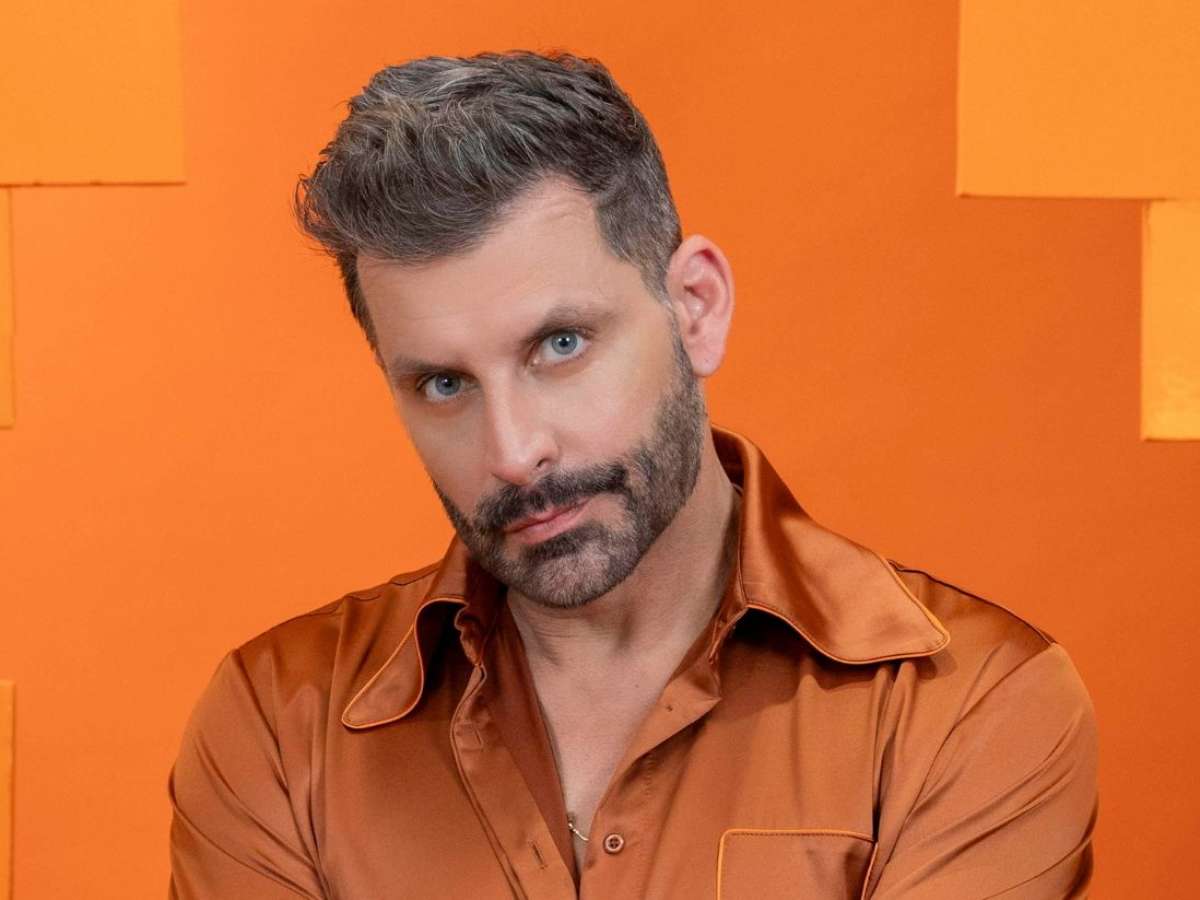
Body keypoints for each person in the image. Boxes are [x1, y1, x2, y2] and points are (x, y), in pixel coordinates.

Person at [167, 50, 1098, 899]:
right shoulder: (280, 725)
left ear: (696, 307)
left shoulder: (968, 703)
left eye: (560, 345)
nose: (513, 451)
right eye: (444, 384)